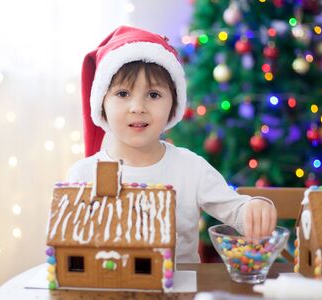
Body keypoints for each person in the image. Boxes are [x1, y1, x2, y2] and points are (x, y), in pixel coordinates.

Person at [67, 25, 277, 263]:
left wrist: (254, 208)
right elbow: (69, 242)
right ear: (101, 103)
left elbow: (236, 209)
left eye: (154, 95)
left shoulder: (190, 167)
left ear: (173, 106)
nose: (137, 107)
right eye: (123, 94)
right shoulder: (83, 174)